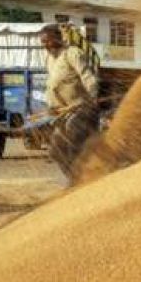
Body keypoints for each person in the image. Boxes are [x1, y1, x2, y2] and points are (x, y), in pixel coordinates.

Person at [40, 24, 99, 180]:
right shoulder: (49, 59)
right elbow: (52, 84)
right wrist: (51, 107)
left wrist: (92, 95)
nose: (45, 45)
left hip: (80, 109)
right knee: (55, 150)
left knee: (71, 142)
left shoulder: (72, 53)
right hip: (63, 113)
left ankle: (82, 178)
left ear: (58, 39)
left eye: (48, 41)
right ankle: (74, 179)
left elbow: (88, 76)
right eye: (43, 42)